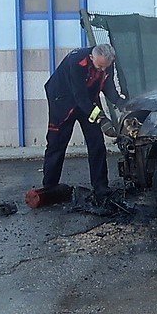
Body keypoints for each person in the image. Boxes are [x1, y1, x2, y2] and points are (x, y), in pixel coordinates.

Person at [41, 43, 127, 201]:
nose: (102, 70)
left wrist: (120, 102)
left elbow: (108, 86)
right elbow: (79, 97)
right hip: (63, 100)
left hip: (88, 98)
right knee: (57, 143)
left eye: (105, 67)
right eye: (99, 66)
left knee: (96, 143)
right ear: (91, 57)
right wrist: (101, 119)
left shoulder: (107, 63)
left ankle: (101, 187)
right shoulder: (76, 61)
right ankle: (49, 187)